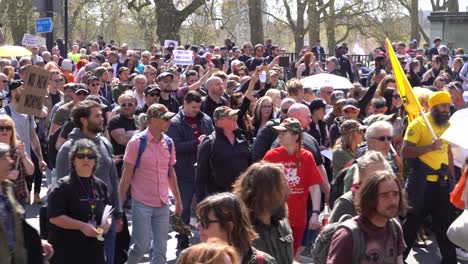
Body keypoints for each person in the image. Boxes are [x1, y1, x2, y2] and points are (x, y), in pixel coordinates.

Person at [55, 100, 121, 264]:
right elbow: (61, 190)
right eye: (97, 116)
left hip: (107, 221)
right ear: (84, 120)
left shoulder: (105, 143)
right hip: (79, 227)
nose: (102, 119)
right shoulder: (68, 149)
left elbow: (113, 178)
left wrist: (117, 213)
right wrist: (76, 224)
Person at [119, 104, 182, 264]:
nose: (169, 121)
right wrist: (118, 207)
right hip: (142, 203)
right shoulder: (136, 143)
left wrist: (178, 201)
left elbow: (171, 173)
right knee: (140, 247)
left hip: (163, 203)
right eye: (165, 119)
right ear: (153, 120)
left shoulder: (168, 142)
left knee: (161, 250)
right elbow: (126, 176)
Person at [402, 91, 457, 263]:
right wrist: (429, 148)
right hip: (421, 185)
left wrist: (453, 181)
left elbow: (448, 154)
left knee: (444, 227)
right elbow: (405, 151)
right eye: (442, 106)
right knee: (411, 226)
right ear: (433, 107)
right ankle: (397, 258)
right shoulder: (418, 125)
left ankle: (449, 261)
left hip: (441, 185)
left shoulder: (449, 125)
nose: (446, 109)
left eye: (448, 106)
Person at [263, 118, 322, 256]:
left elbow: (314, 187)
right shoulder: (271, 155)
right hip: (275, 218)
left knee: (292, 255)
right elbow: (261, 185)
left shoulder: (307, 156)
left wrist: (315, 213)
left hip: (298, 218)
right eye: (279, 133)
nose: (280, 136)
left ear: (295, 136)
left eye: (284, 133)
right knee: (275, 256)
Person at [47, 139, 112, 264]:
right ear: (73, 160)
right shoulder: (62, 186)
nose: (86, 159)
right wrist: (82, 226)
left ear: (95, 161)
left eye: (90, 156)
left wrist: (107, 224)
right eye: (81, 156)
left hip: (94, 251)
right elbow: (54, 217)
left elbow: (108, 210)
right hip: (67, 252)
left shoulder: (100, 186)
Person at [167, 91, 214, 249]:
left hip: (203, 170)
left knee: (206, 206)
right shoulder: (174, 122)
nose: (196, 110)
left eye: (198, 107)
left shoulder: (205, 118)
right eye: (193, 107)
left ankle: (208, 238)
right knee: (184, 207)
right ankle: (182, 239)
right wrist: (197, 143)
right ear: (185, 103)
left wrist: (208, 142)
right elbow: (175, 146)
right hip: (184, 171)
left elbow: (213, 136)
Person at [327, 171, 407, 263]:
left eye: (395, 194)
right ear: (370, 198)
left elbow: (399, 260)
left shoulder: (394, 228)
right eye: (385, 196)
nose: (392, 201)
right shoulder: (347, 235)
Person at [233, 161, 294, 264]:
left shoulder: (282, 224)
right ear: (267, 193)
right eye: (283, 185)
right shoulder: (240, 232)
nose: (290, 191)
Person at [196, 192, 277, 264]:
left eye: (205, 222)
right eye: (199, 220)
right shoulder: (191, 259)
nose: (198, 226)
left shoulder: (263, 262)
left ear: (229, 226)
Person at [196, 106, 251, 202]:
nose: (235, 118)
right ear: (220, 122)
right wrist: (201, 202)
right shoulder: (209, 143)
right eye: (231, 117)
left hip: (242, 195)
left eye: (235, 116)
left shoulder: (242, 139)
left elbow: (250, 165)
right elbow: (201, 175)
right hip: (218, 199)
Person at [329, 151, 390, 223]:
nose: (379, 180)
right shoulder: (346, 203)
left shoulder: (389, 199)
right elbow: (331, 233)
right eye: (374, 176)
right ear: (361, 176)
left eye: (383, 175)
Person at [0, 115, 34, 206]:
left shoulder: (18, 147)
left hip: (19, 196)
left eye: (8, 127)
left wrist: (23, 156)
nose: (4, 130)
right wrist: (7, 176)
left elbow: (31, 171)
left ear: (12, 130)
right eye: (1, 128)